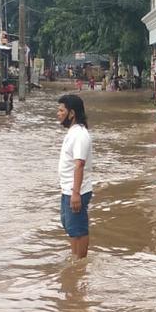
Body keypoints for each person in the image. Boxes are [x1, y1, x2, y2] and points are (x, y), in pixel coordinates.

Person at [57, 94, 93, 259]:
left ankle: (80, 263)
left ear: (71, 114)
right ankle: (75, 258)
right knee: (71, 228)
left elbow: (79, 164)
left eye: (61, 110)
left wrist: (76, 193)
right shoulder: (73, 133)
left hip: (76, 190)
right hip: (68, 189)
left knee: (78, 230)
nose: (58, 114)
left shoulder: (79, 134)